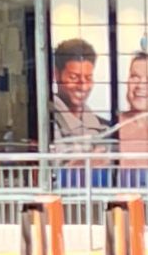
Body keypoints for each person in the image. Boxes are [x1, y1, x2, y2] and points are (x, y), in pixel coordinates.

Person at [48, 38, 112, 181]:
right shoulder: (46, 121)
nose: (82, 86)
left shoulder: (101, 125)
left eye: (88, 78)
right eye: (74, 77)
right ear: (56, 75)